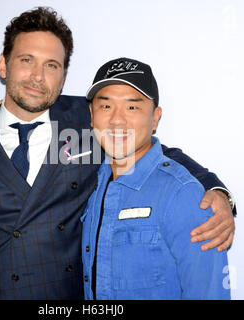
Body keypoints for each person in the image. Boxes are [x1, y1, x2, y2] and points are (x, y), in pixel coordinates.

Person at [0, 7, 234, 300]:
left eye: (51, 66)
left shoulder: (86, 121)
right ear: (4, 65)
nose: (38, 76)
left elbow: (151, 148)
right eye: (26, 60)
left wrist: (217, 192)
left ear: (64, 75)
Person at [81, 57, 230, 300]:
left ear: (156, 117)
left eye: (132, 107)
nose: (117, 119)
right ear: (91, 114)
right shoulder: (91, 182)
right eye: (106, 106)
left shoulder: (185, 194)